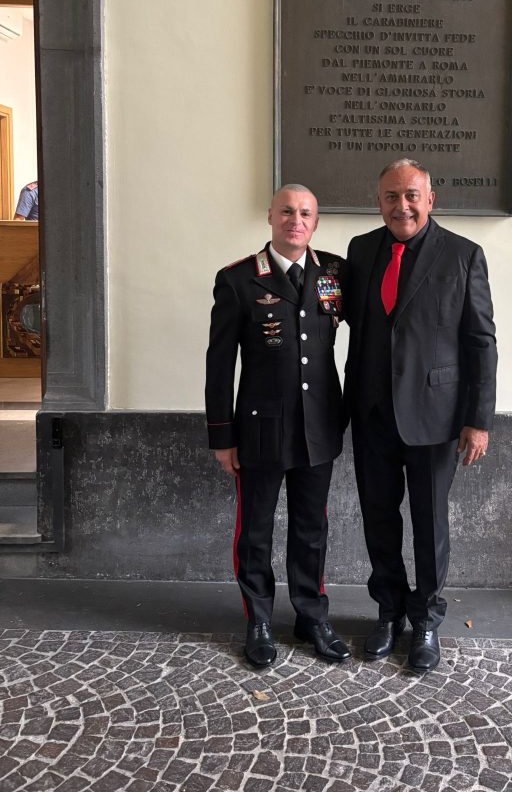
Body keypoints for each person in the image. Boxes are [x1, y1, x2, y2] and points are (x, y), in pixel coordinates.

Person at [343, 159, 497, 673]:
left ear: (430, 199)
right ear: (379, 200)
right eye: (391, 196)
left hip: (436, 419)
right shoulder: (361, 252)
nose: (401, 205)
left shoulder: (463, 256)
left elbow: (481, 343)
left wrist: (478, 420)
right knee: (379, 518)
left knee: (430, 523)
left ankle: (427, 619)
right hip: (371, 415)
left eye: (411, 195)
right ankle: (388, 611)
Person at [206, 184, 350, 668]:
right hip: (261, 430)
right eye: (287, 211)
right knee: (256, 531)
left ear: (315, 221)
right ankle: (260, 620)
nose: (296, 220)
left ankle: (311, 616)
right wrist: (222, 436)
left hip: (318, 428)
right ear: (270, 216)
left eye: (306, 213)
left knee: (312, 529)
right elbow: (219, 365)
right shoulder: (239, 280)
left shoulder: (333, 272)